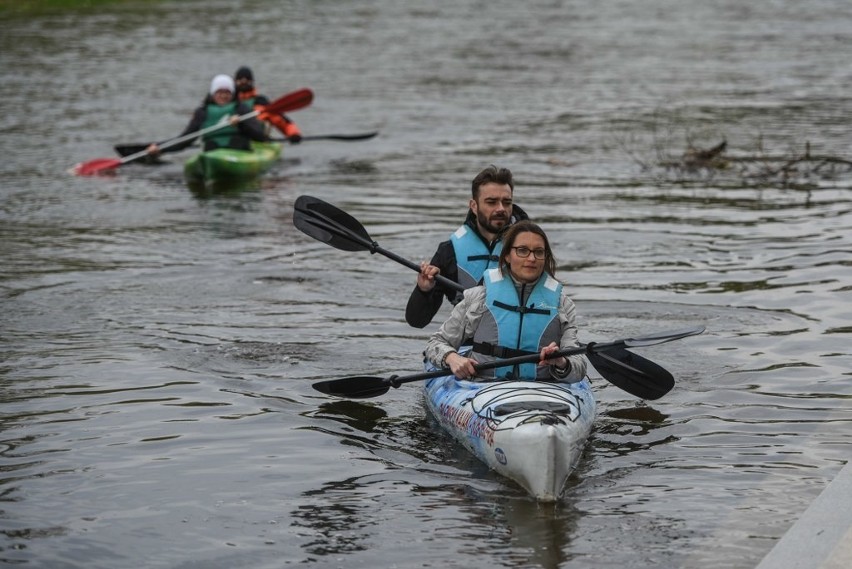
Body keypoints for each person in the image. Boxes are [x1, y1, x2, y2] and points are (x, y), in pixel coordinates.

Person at [424, 220, 587, 383]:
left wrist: (561, 362)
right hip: (483, 386)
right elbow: (436, 343)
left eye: (538, 252)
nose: (531, 258)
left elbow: (578, 365)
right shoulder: (479, 297)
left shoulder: (563, 305)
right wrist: (452, 358)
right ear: (507, 255)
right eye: (522, 250)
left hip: (543, 387)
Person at [405, 165, 529, 328]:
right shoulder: (450, 252)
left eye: (506, 202)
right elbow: (417, 321)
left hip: (518, 343)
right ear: (474, 206)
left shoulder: (531, 249)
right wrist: (424, 290)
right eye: (491, 202)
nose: (500, 209)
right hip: (468, 345)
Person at [147, 74, 268, 155]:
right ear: (212, 94)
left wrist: (241, 124)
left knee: (236, 141)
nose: (223, 96)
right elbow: (184, 140)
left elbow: (260, 137)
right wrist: (160, 148)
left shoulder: (241, 109)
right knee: (210, 145)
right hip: (212, 153)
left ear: (232, 94)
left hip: (239, 152)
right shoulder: (203, 112)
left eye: (227, 92)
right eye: (219, 92)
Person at [234, 66, 303, 143]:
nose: (244, 82)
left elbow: (282, 121)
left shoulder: (261, 102)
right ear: (235, 82)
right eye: (240, 80)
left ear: (251, 82)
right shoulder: (229, 101)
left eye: (247, 79)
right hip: (234, 140)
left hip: (258, 141)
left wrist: (293, 134)